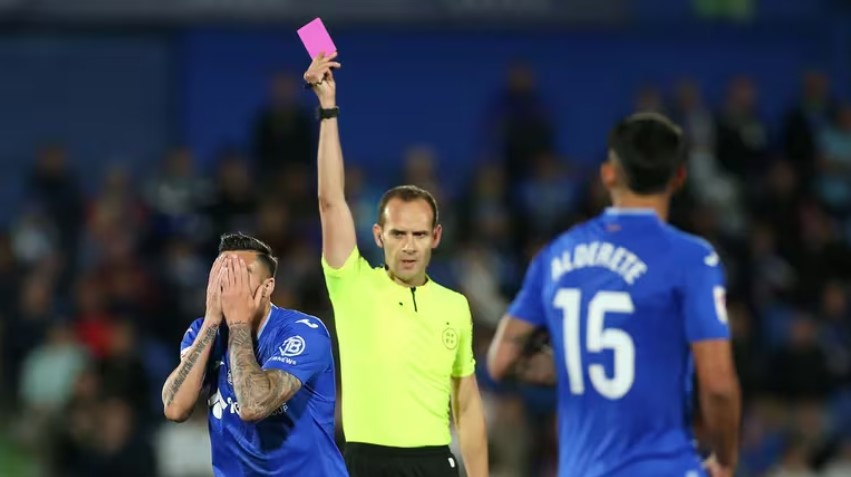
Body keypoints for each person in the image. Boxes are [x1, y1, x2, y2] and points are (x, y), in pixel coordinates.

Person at [487, 112, 741, 477]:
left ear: (608, 174)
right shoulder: (691, 258)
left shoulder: (556, 255)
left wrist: (580, 364)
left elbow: (501, 360)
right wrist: (725, 457)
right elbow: (717, 385)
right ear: (679, 178)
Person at [303, 52, 489, 477]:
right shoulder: (353, 285)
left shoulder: (455, 305)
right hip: (365, 462)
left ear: (435, 237)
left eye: (419, 235)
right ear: (378, 236)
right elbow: (331, 202)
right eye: (398, 234)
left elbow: (467, 405)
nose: (408, 246)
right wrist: (328, 109)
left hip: (434, 463)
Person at [161, 232, 348, 477]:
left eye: (241, 275)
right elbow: (175, 409)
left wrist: (238, 324)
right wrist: (211, 320)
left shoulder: (303, 332)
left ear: (267, 287)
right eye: (223, 273)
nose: (230, 285)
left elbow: (253, 405)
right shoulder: (204, 332)